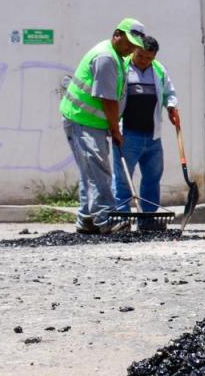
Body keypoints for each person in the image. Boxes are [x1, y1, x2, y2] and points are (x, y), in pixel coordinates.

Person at [60, 18, 147, 234]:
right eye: (129, 43)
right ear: (117, 34)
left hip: (91, 122)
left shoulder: (117, 56)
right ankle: (106, 218)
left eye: (135, 45)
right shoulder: (106, 58)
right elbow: (108, 100)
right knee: (99, 169)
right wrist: (115, 129)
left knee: (90, 170)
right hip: (82, 121)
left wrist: (112, 126)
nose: (131, 49)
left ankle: (87, 219)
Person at [112, 35, 180, 230]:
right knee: (123, 180)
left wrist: (171, 107)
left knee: (152, 178)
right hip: (127, 135)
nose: (143, 61)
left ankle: (148, 220)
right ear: (134, 50)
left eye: (148, 58)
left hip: (152, 136)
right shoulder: (122, 67)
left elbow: (169, 93)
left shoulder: (158, 70)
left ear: (154, 56)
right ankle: (122, 220)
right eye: (140, 56)